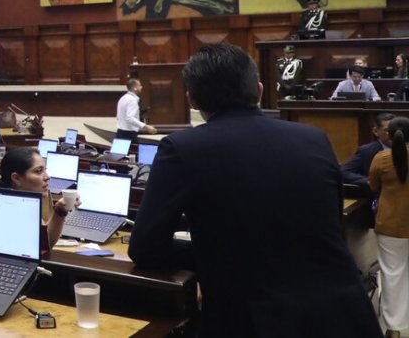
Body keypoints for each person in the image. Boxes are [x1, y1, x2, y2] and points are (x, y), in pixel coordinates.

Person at [129, 43, 381, 337]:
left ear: (192, 100)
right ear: (260, 90)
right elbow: (326, 224)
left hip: (255, 320)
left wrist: (208, 253)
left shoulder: (182, 148)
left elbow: (145, 248)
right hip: (345, 315)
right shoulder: (315, 138)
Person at [369, 116, 409, 337]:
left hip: (391, 225)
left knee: (392, 276)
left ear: (389, 137)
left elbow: (373, 186)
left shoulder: (381, 158)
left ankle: (394, 328)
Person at [0, 147, 80, 251]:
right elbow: (41, 250)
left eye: (45, 170)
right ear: (17, 178)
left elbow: (45, 245)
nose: (47, 177)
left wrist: (60, 211)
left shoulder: (28, 202)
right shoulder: (7, 209)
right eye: (38, 171)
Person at [342, 112, 396, 189]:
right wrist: (369, 181)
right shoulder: (366, 151)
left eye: (395, 130)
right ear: (376, 131)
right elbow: (344, 172)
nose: (393, 134)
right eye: (387, 130)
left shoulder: (406, 149)